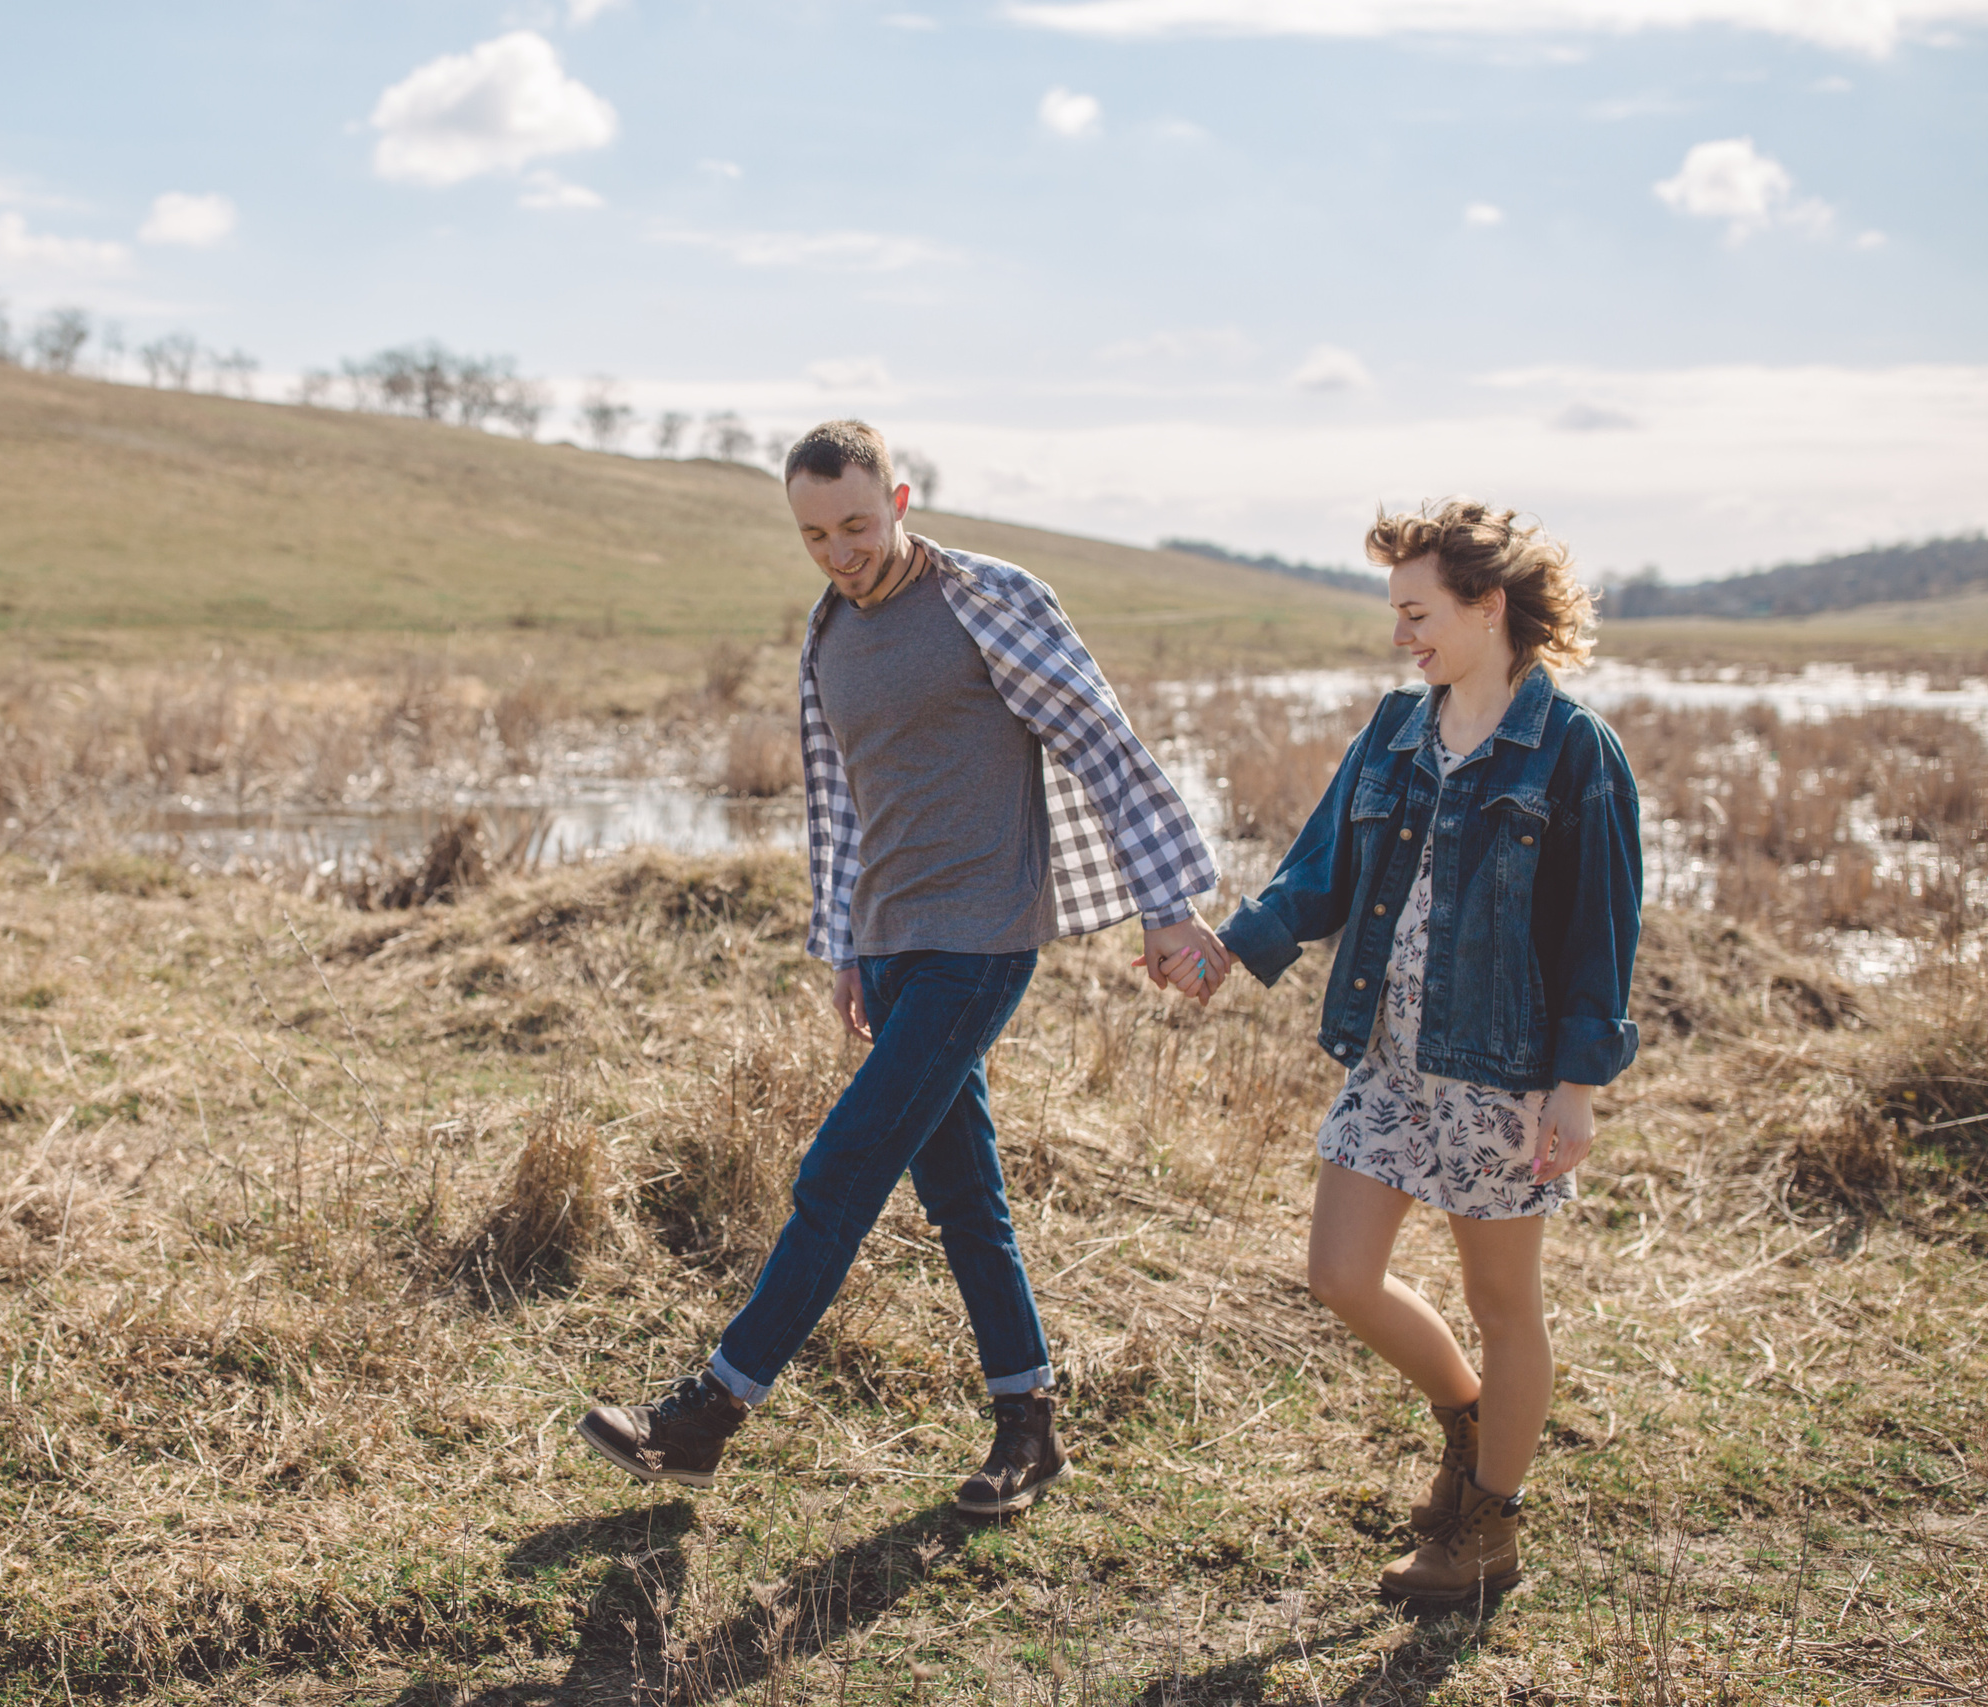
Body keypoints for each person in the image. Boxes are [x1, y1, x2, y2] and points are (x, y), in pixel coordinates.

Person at [576, 419, 1228, 1515]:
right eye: (815, 533)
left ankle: (709, 1414)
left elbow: (1099, 740)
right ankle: (1027, 1424)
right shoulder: (828, 634)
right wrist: (845, 944)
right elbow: (842, 808)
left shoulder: (989, 599)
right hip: (889, 945)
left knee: (840, 1168)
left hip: (979, 942)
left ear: (902, 501)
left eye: (857, 525)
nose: (839, 551)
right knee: (965, 1195)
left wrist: (1167, 909)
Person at [1213, 499, 1640, 1609]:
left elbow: (1601, 929)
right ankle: (1469, 1428)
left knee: (1507, 1308)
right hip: (1389, 1059)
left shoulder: (1571, 749)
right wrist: (1226, 950)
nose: (1402, 634)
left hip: (1502, 1075)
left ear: (1485, 606)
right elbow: (1318, 874)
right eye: (1395, 612)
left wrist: (1578, 1088)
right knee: (1339, 1276)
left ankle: (1488, 1529)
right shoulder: (1395, 730)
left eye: (1417, 611)